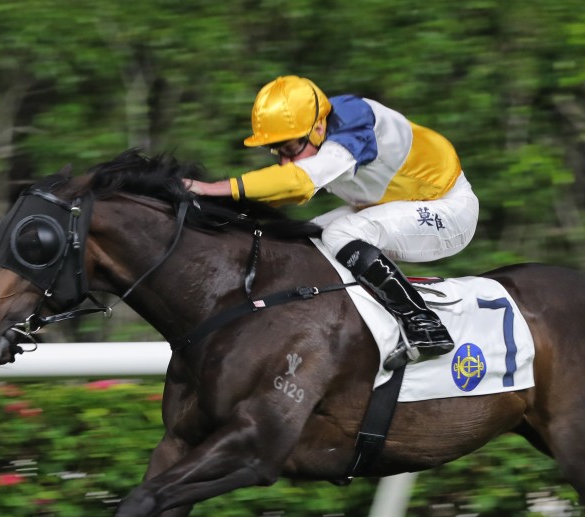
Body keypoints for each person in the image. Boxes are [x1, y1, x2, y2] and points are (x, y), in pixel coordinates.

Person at [184, 75, 479, 369]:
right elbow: (282, 193)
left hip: (448, 209)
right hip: (396, 203)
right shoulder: (319, 127)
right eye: (277, 152)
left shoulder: (355, 125)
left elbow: (298, 182)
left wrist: (210, 188)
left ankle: (425, 325)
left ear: (318, 128)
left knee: (340, 234)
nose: (285, 162)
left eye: (289, 149)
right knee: (305, 242)